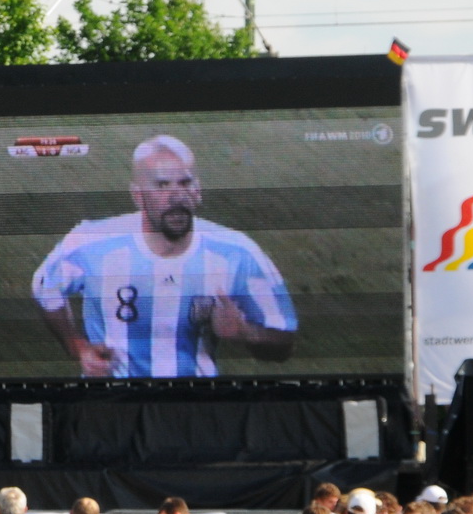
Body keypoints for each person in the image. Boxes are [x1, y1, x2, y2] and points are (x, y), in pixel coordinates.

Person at [31, 134, 296, 378]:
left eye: (185, 183)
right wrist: (78, 348)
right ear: (138, 196)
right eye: (162, 185)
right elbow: (45, 288)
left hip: (195, 404)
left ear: (198, 190)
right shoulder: (91, 242)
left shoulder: (238, 252)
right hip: (110, 405)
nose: (176, 196)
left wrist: (246, 332)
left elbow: (283, 344)